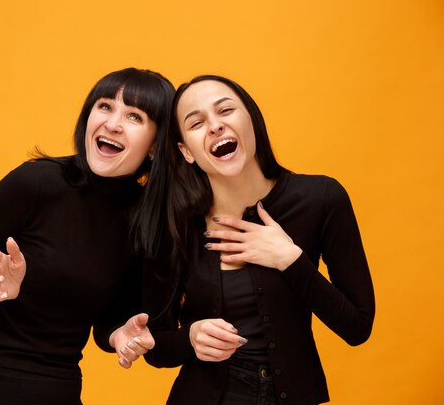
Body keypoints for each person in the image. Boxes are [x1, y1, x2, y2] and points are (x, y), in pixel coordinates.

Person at [0, 68, 175, 405]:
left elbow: (108, 318)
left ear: (156, 146)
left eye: (134, 116)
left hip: (56, 387)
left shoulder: (145, 219)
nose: (112, 124)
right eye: (104, 107)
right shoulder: (38, 181)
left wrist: (120, 334)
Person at [134, 75, 375, 405]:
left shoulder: (322, 199)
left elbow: (358, 327)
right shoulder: (173, 224)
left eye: (226, 110)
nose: (215, 126)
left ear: (251, 119)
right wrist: (190, 338)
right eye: (197, 122)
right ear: (186, 151)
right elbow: (155, 345)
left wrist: (290, 260)